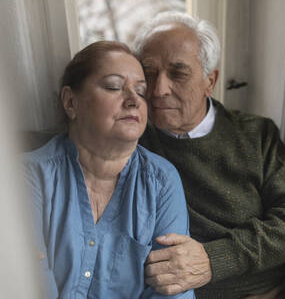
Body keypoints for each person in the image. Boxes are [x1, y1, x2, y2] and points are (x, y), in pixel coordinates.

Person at [135, 11, 285, 298]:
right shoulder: (130, 139)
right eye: (149, 73)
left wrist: (214, 259)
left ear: (210, 81)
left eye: (178, 73)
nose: (159, 89)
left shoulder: (255, 135)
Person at [22, 41, 194, 298]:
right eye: (114, 86)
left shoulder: (162, 180)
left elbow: (172, 289)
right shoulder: (27, 177)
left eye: (141, 91)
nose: (134, 100)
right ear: (71, 102)